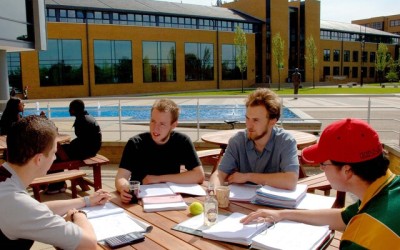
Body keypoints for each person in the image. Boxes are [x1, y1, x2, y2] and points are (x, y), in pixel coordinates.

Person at [241, 118, 400, 249]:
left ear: (347, 171)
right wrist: (282, 214)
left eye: (323, 164)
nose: (321, 168)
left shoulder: (361, 238)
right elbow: (343, 216)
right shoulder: (387, 189)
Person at [0, 115, 111, 249]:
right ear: (39, 159)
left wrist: (86, 201)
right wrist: (78, 215)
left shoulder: (7, 185)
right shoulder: (15, 203)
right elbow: (88, 244)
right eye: (53, 153)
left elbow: (37, 209)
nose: (54, 158)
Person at [115, 99, 205, 203]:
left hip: (171, 199)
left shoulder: (182, 141)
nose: (155, 128)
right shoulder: (135, 143)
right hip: (138, 201)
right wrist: (124, 188)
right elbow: (121, 177)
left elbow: (199, 175)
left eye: (162, 124)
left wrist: (158, 178)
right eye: (153, 121)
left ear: (173, 125)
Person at [209, 88, 299, 190]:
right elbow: (219, 173)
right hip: (242, 203)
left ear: (272, 121)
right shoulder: (237, 141)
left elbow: (291, 181)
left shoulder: (286, 142)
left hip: (275, 205)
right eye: (247, 118)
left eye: (256, 120)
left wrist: (248, 176)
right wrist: (213, 191)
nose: (249, 125)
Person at [47, 99, 102, 194]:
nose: (69, 110)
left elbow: (83, 141)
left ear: (74, 109)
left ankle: (56, 186)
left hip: (87, 151)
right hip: (91, 149)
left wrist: (68, 146)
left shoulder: (82, 120)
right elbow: (84, 139)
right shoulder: (86, 117)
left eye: (70, 109)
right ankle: (59, 184)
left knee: (55, 155)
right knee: (59, 151)